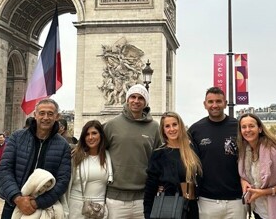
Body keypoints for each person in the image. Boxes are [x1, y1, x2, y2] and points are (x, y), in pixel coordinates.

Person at [0, 98, 71, 219]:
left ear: (57, 116)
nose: (46, 117)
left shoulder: (63, 145)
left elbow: (63, 180)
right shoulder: (17, 137)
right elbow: (5, 168)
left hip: (44, 207)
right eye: (42, 113)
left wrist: (37, 203)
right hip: (13, 203)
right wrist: (17, 198)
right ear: (35, 115)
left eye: (50, 114)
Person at [103, 84, 162, 219]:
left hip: (144, 197)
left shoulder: (154, 127)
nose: (136, 101)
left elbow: (159, 159)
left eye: (140, 98)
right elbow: (96, 149)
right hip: (115, 199)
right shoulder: (111, 125)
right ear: (127, 99)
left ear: (145, 102)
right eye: (133, 97)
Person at [188, 87, 245, 218]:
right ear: (205, 104)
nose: (214, 105)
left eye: (218, 101)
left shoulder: (238, 127)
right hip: (206, 200)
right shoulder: (195, 130)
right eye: (211, 101)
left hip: (236, 199)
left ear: (225, 103)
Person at [144, 112, 202, 219]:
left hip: (191, 208)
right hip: (168, 207)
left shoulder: (192, 150)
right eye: (167, 126)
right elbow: (150, 187)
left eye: (175, 124)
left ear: (180, 125)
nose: (172, 129)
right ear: (163, 130)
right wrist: (147, 214)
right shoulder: (158, 154)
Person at [68, 120, 113, 218]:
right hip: (76, 208)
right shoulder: (75, 156)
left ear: (101, 135)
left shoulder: (108, 156)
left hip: (98, 209)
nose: (90, 137)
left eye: (94, 133)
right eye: (87, 134)